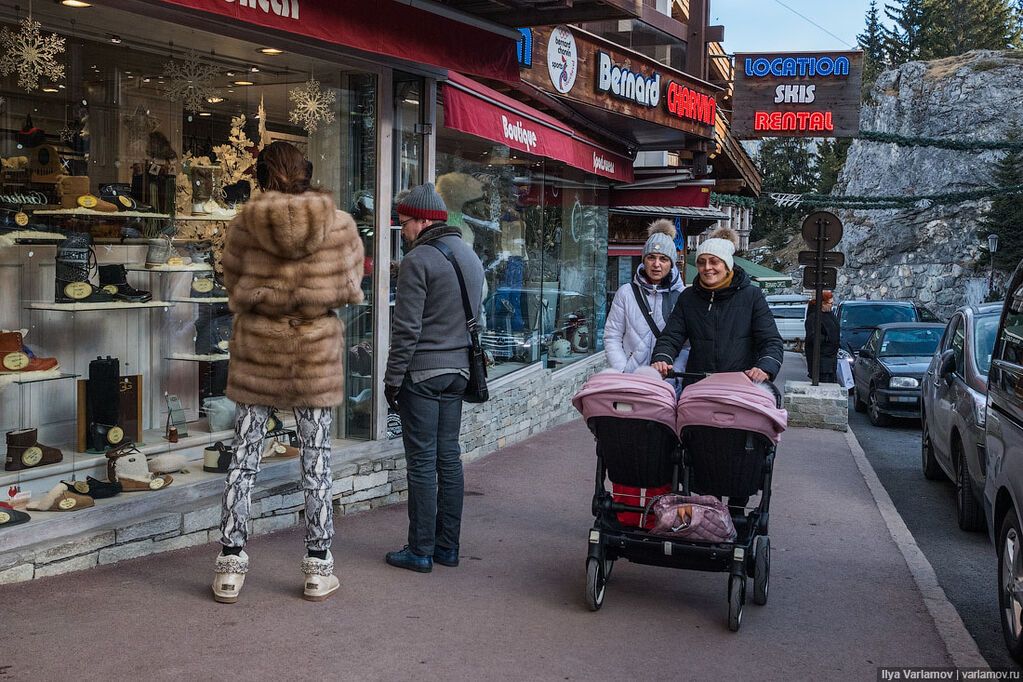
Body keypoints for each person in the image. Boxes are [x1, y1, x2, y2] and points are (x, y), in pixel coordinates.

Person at [212, 141, 365, 604]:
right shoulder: (338, 226)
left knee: (244, 457)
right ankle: (318, 566)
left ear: (260, 175)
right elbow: (351, 287)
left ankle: (230, 566)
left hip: (260, 351)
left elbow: (232, 285)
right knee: (315, 458)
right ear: (307, 173)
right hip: (314, 353)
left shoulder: (244, 225)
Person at [384, 182, 484, 573]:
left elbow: (406, 329)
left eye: (404, 223)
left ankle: (420, 549)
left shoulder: (419, 259)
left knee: (422, 463)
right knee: (449, 460)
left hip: (423, 373)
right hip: (459, 371)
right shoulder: (470, 257)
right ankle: (448, 548)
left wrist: (392, 381)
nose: (402, 230)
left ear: (424, 220)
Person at [650, 227, 783, 384]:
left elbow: (770, 340)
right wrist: (662, 358)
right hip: (698, 383)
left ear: (727, 265)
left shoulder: (751, 296)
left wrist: (765, 367)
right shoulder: (688, 297)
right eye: (701, 262)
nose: (707, 268)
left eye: (714, 262)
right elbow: (671, 337)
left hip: (741, 384)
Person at [604, 219, 687, 373]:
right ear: (644, 260)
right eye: (651, 257)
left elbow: (687, 344)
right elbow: (612, 336)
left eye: (663, 259)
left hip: (668, 381)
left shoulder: (683, 296)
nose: (656, 264)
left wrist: (675, 372)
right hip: (631, 379)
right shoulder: (626, 293)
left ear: (672, 263)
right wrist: (623, 370)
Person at [804, 290, 840, 383]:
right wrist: (828, 339)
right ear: (823, 304)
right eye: (830, 303)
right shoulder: (813, 317)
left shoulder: (829, 314)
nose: (831, 305)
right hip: (821, 360)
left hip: (830, 359)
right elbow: (812, 337)